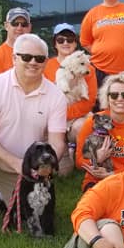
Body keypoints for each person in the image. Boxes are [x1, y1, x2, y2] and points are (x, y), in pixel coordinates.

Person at [0, 33, 68, 246]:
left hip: (23, 167)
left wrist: (46, 167)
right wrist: (14, 162)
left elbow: (58, 142)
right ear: (14, 58)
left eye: (39, 58)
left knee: (25, 216)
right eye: (26, 57)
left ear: (46, 62)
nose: (33, 62)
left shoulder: (56, 95)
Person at [74, 71, 124, 191]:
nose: (120, 99)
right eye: (114, 95)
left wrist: (112, 175)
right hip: (95, 180)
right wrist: (96, 159)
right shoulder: (93, 121)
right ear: (107, 98)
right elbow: (79, 162)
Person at [43, 23, 97, 173]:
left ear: (75, 42)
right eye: (61, 40)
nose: (65, 43)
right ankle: (65, 152)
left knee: (84, 126)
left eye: (70, 39)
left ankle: (83, 158)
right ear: (54, 43)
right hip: (52, 119)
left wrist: (66, 115)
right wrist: (57, 117)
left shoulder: (88, 68)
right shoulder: (46, 66)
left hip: (76, 117)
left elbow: (89, 101)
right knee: (62, 173)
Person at [0, 7, 32, 80]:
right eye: (15, 24)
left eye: (24, 24)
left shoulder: (37, 55)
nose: (19, 28)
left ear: (29, 27)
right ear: (6, 26)